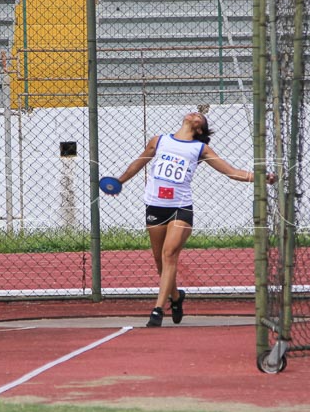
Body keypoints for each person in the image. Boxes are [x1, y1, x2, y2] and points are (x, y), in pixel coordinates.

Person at [109, 111, 276, 327]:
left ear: (199, 129)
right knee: (160, 262)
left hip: (180, 208)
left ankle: (157, 310)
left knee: (169, 254)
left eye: (200, 117)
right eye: (195, 113)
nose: (195, 114)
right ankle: (176, 298)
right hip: (155, 206)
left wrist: (262, 177)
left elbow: (231, 172)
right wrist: (119, 181)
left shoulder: (200, 149)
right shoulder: (159, 141)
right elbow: (139, 163)